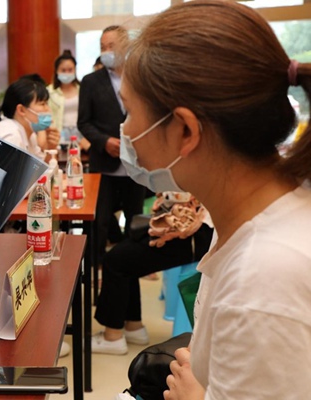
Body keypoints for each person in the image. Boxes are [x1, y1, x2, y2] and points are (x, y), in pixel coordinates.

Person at [119, 1, 311, 398]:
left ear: (186, 131)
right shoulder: (248, 216)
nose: (126, 131)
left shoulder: (262, 279)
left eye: (130, 111)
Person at [92, 192, 212, 355]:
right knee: (126, 255)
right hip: (193, 223)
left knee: (115, 261)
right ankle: (133, 326)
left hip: (195, 231)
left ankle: (112, 337)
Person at [78, 25, 146, 260]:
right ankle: (96, 265)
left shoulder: (140, 76)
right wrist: (104, 141)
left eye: (111, 46)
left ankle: (133, 265)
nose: (106, 51)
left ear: (126, 46)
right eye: (102, 47)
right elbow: (84, 122)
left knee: (135, 219)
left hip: (136, 163)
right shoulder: (91, 82)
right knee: (100, 221)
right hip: (104, 164)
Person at [0, 78, 60, 163]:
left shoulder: (29, 134)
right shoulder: (11, 137)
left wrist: (51, 147)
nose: (48, 109)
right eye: (42, 104)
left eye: (46, 104)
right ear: (21, 110)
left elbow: (41, 168)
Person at [47, 50, 89, 151]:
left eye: (70, 70)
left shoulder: (83, 89)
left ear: (75, 70)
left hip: (81, 134)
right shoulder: (49, 91)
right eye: (63, 70)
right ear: (56, 71)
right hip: (59, 134)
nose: (67, 73)